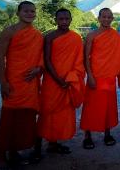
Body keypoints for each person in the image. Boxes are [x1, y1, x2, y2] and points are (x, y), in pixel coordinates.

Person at [0, 1, 43, 168]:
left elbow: (40, 57)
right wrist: (3, 82)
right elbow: (0, 58)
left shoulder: (37, 34)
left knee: (25, 119)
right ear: (18, 13)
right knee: (8, 119)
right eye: (26, 11)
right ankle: (1, 156)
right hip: (13, 82)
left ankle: (15, 151)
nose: (30, 14)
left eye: (32, 11)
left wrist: (38, 68)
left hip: (29, 84)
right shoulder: (9, 32)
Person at [35, 9, 84, 156]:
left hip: (68, 81)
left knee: (60, 115)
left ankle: (53, 144)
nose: (64, 22)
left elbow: (79, 61)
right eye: (61, 19)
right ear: (55, 20)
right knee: (46, 113)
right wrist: (58, 79)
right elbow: (47, 60)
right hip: (52, 81)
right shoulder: (49, 37)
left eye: (66, 19)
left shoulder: (75, 38)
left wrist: (70, 78)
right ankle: (37, 148)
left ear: (70, 20)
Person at [80, 8, 120, 149]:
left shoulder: (115, 35)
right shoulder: (91, 35)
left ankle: (107, 133)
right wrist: (89, 75)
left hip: (109, 77)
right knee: (91, 107)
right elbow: (86, 57)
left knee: (108, 106)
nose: (107, 19)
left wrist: (119, 72)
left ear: (112, 19)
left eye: (109, 17)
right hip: (95, 76)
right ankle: (87, 135)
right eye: (104, 17)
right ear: (99, 18)